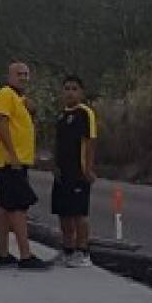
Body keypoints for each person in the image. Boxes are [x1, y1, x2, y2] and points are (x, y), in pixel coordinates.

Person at [0, 61, 51, 270]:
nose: (23, 77)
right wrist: (13, 155)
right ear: (9, 75)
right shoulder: (5, 94)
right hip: (10, 161)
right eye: (19, 74)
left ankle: (4, 254)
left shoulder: (18, 98)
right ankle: (25, 255)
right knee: (18, 206)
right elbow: (1, 123)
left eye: (26, 74)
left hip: (16, 161)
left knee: (6, 207)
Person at [51, 75, 97, 267]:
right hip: (62, 173)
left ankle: (83, 251)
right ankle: (67, 249)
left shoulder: (85, 113)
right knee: (64, 212)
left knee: (79, 213)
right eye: (67, 88)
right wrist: (55, 165)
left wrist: (87, 168)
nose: (70, 92)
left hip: (78, 172)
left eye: (74, 89)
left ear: (81, 92)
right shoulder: (61, 115)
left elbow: (91, 141)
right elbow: (58, 142)